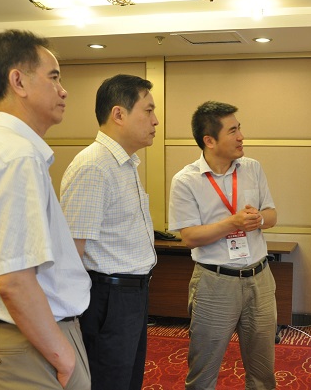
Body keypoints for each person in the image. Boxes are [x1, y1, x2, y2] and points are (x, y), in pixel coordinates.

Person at [0, 29, 91, 390]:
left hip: (25, 340)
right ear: (18, 82)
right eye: (53, 77)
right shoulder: (16, 155)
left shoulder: (1, 147)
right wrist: (63, 357)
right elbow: (14, 281)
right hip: (30, 345)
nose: (63, 90)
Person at [168, 101, 278, 390]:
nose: (241, 136)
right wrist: (233, 223)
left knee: (263, 372)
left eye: (239, 128)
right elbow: (189, 236)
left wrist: (258, 219)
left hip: (260, 278)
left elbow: (272, 214)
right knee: (203, 372)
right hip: (214, 283)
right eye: (232, 131)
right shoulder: (186, 180)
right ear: (210, 140)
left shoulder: (252, 168)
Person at [60, 74, 158, 390]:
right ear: (118, 114)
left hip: (130, 295)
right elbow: (71, 252)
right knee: (108, 382)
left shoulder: (124, 163)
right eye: (148, 110)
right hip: (108, 298)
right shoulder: (94, 166)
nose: (155, 121)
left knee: (128, 380)